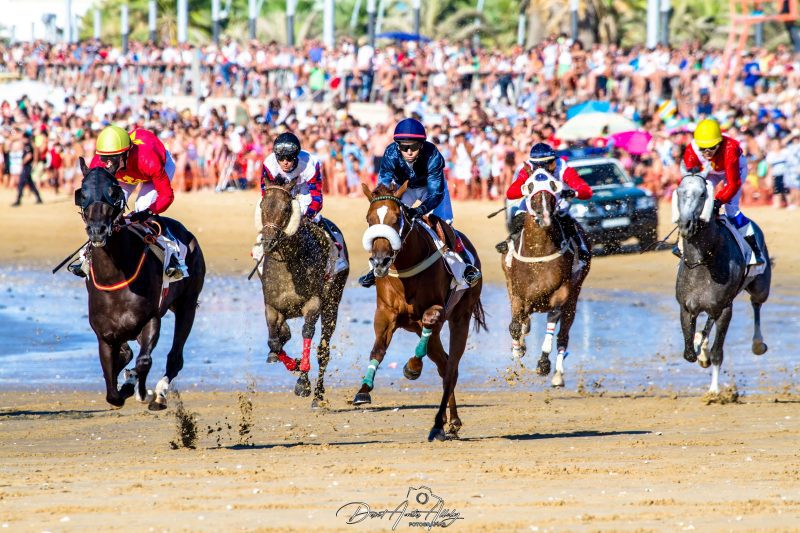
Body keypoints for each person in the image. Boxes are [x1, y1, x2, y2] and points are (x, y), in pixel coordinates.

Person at [357, 118, 482, 288]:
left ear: (421, 145)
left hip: (430, 189)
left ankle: (466, 266)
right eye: (403, 147)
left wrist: (419, 210)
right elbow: (384, 183)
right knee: (384, 218)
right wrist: (383, 201)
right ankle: (374, 267)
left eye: (414, 146)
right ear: (397, 145)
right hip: (404, 188)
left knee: (444, 224)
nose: (409, 151)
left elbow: (436, 194)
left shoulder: (433, 156)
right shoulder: (390, 153)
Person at [68, 125, 187, 279]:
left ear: (126, 153)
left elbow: (166, 196)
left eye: (112, 159)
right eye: (105, 159)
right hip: (126, 172)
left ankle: (173, 257)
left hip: (153, 168)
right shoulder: (101, 161)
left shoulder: (148, 161)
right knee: (108, 207)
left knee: (142, 206)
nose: (108, 164)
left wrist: (148, 212)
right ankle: (87, 256)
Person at [251, 132, 348, 274]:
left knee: (317, 220)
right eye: (281, 158)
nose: (285, 162)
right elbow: (267, 194)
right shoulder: (269, 164)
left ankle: (337, 255)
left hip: (304, 193)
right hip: (281, 195)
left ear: (296, 155)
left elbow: (316, 197)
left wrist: (307, 216)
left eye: (289, 158)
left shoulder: (310, 163)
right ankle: (260, 252)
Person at [677, 118, 765, 264]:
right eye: (702, 148)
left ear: (719, 143)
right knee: (694, 201)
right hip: (712, 170)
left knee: (731, 210)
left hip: (734, 171)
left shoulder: (730, 148)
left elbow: (733, 183)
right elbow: (692, 181)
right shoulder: (691, 150)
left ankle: (754, 250)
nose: (706, 152)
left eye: (711, 147)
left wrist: (718, 201)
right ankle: (681, 242)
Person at [496, 142, 593, 263]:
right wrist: (524, 189)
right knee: (518, 218)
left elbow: (587, 191)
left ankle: (581, 248)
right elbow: (510, 193)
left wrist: (574, 193)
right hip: (532, 204)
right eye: (538, 166)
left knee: (567, 221)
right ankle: (510, 243)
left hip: (557, 203)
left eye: (549, 164)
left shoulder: (563, 168)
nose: (543, 170)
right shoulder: (527, 169)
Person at [11, 130, 43, 207]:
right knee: (31, 184)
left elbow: (29, 156)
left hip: (27, 166)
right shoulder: (27, 145)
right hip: (27, 166)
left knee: (21, 183)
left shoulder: (28, 145)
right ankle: (39, 198)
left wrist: (22, 162)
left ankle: (18, 200)